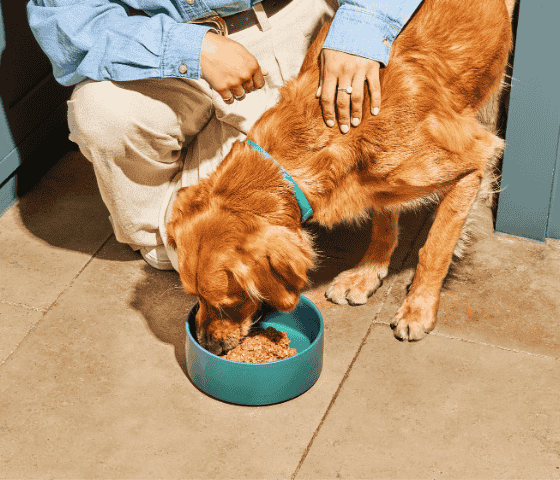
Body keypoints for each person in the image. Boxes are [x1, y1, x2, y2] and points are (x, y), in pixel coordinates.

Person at [27, 0, 422, 270]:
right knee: (102, 112)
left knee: (256, 217)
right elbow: (67, 17)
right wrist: (190, 47)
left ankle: (198, 206)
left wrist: (361, 30)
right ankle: (165, 246)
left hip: (288, 22)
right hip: (149, 42)